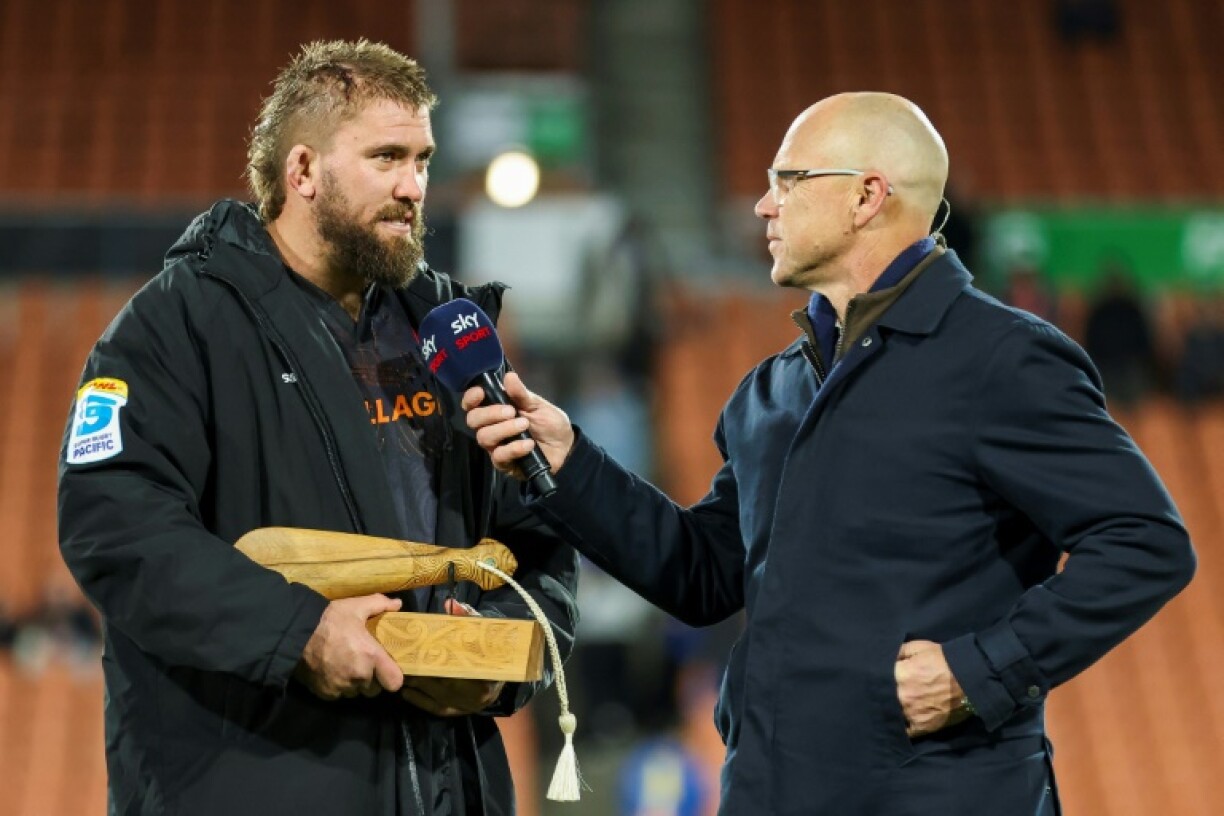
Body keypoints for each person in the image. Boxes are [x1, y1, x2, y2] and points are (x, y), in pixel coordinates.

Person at [464, 93, 1196, 814]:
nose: (763, 205)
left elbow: (1144, 541)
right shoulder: (773, 388)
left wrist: (981, 671)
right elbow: (705, 575)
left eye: (789, 179)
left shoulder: (1001, 360)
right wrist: (570, 463)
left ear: (867, 196)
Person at [57, 39, 578, 816]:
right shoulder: (174, 326)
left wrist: (505, 648)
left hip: (447, 787)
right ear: (302, 172)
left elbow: (533, 539)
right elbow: (114, 526)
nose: (414, 187)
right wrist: (296, 632)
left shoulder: (447, 331)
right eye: (386, 158)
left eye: (424, 160)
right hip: (253, 782)